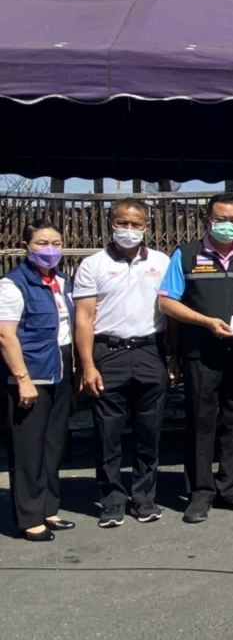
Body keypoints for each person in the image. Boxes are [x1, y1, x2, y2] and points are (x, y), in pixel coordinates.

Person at [158, 192, 233, 524]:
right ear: (207, 220)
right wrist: (205, 322)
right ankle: (200, 493)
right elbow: (166, 302)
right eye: (221, 219)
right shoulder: (186, 254)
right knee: (200, 421)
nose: (228, 225)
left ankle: (232, 489)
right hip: (200, 352)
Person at [74, 199, 175, 528]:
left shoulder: (161, 262)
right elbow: (84, 318)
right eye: (122, 223)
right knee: (108, 433)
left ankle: (144, 498)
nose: (129, 230)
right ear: (111, 224)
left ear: (147, 226)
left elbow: (171, 311)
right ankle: (112, 500)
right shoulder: (93, 265)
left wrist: (172, 355)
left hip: (150, 351)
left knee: (150, 431)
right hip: (108, 352)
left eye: (136, 224)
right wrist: (87, 365)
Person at [0, 220, 75, 542]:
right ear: (25, 247)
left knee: (52, 444)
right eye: (42, 243)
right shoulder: (13, 285)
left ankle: (48, 508)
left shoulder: (62, 281)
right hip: (31, 374)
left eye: (56, 243)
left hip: (60, 371)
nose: (50, 250)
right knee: (28, 448)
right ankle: (29, 517)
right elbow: (5, 335)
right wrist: (23, 379)